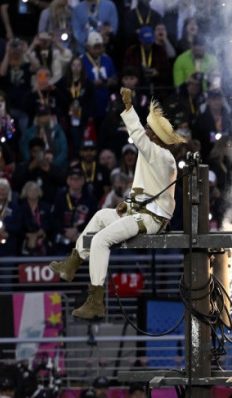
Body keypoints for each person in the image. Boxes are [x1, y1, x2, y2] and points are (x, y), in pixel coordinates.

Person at [48, 87, 185, 319]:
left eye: (150, 130)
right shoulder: (155, 155)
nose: (147, 132)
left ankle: (96, 300)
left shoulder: (159, 155)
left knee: (101, 241)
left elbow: (138, 136)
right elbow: (147, 190)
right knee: (101, 216)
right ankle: (74, 261)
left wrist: (129, 109)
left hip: (151, 220)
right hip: (141, 213)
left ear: (156, 137)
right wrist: (128, 205)